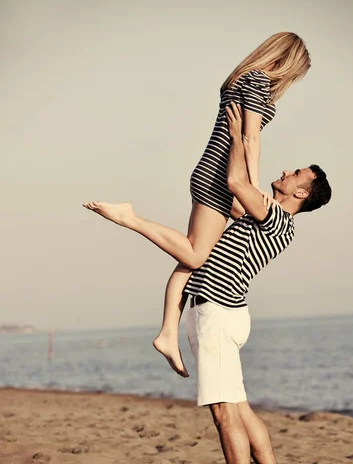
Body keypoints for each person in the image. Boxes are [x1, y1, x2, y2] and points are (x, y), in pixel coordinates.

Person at [84, 102, 332, 464]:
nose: (288, 172)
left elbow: (236, 181)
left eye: (296, 174)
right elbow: (239, 187)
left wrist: (237, 137)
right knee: (240, 406)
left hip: (216, 314)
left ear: (301, 192)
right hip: (230, 314)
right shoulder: (275, 222)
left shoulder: (270, 214)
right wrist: (251, 141)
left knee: (224, 411)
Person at [84, 32, 311, 378]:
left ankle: (166, 334)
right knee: (194, 254)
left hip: (214, 172)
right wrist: (252, 185)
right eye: (294, 74)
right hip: (220, 176)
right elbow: (249, 137)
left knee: (196, 255)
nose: (289, 81)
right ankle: (130, 218)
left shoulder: (243, 78)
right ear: (286, 61)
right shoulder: (258, 81)